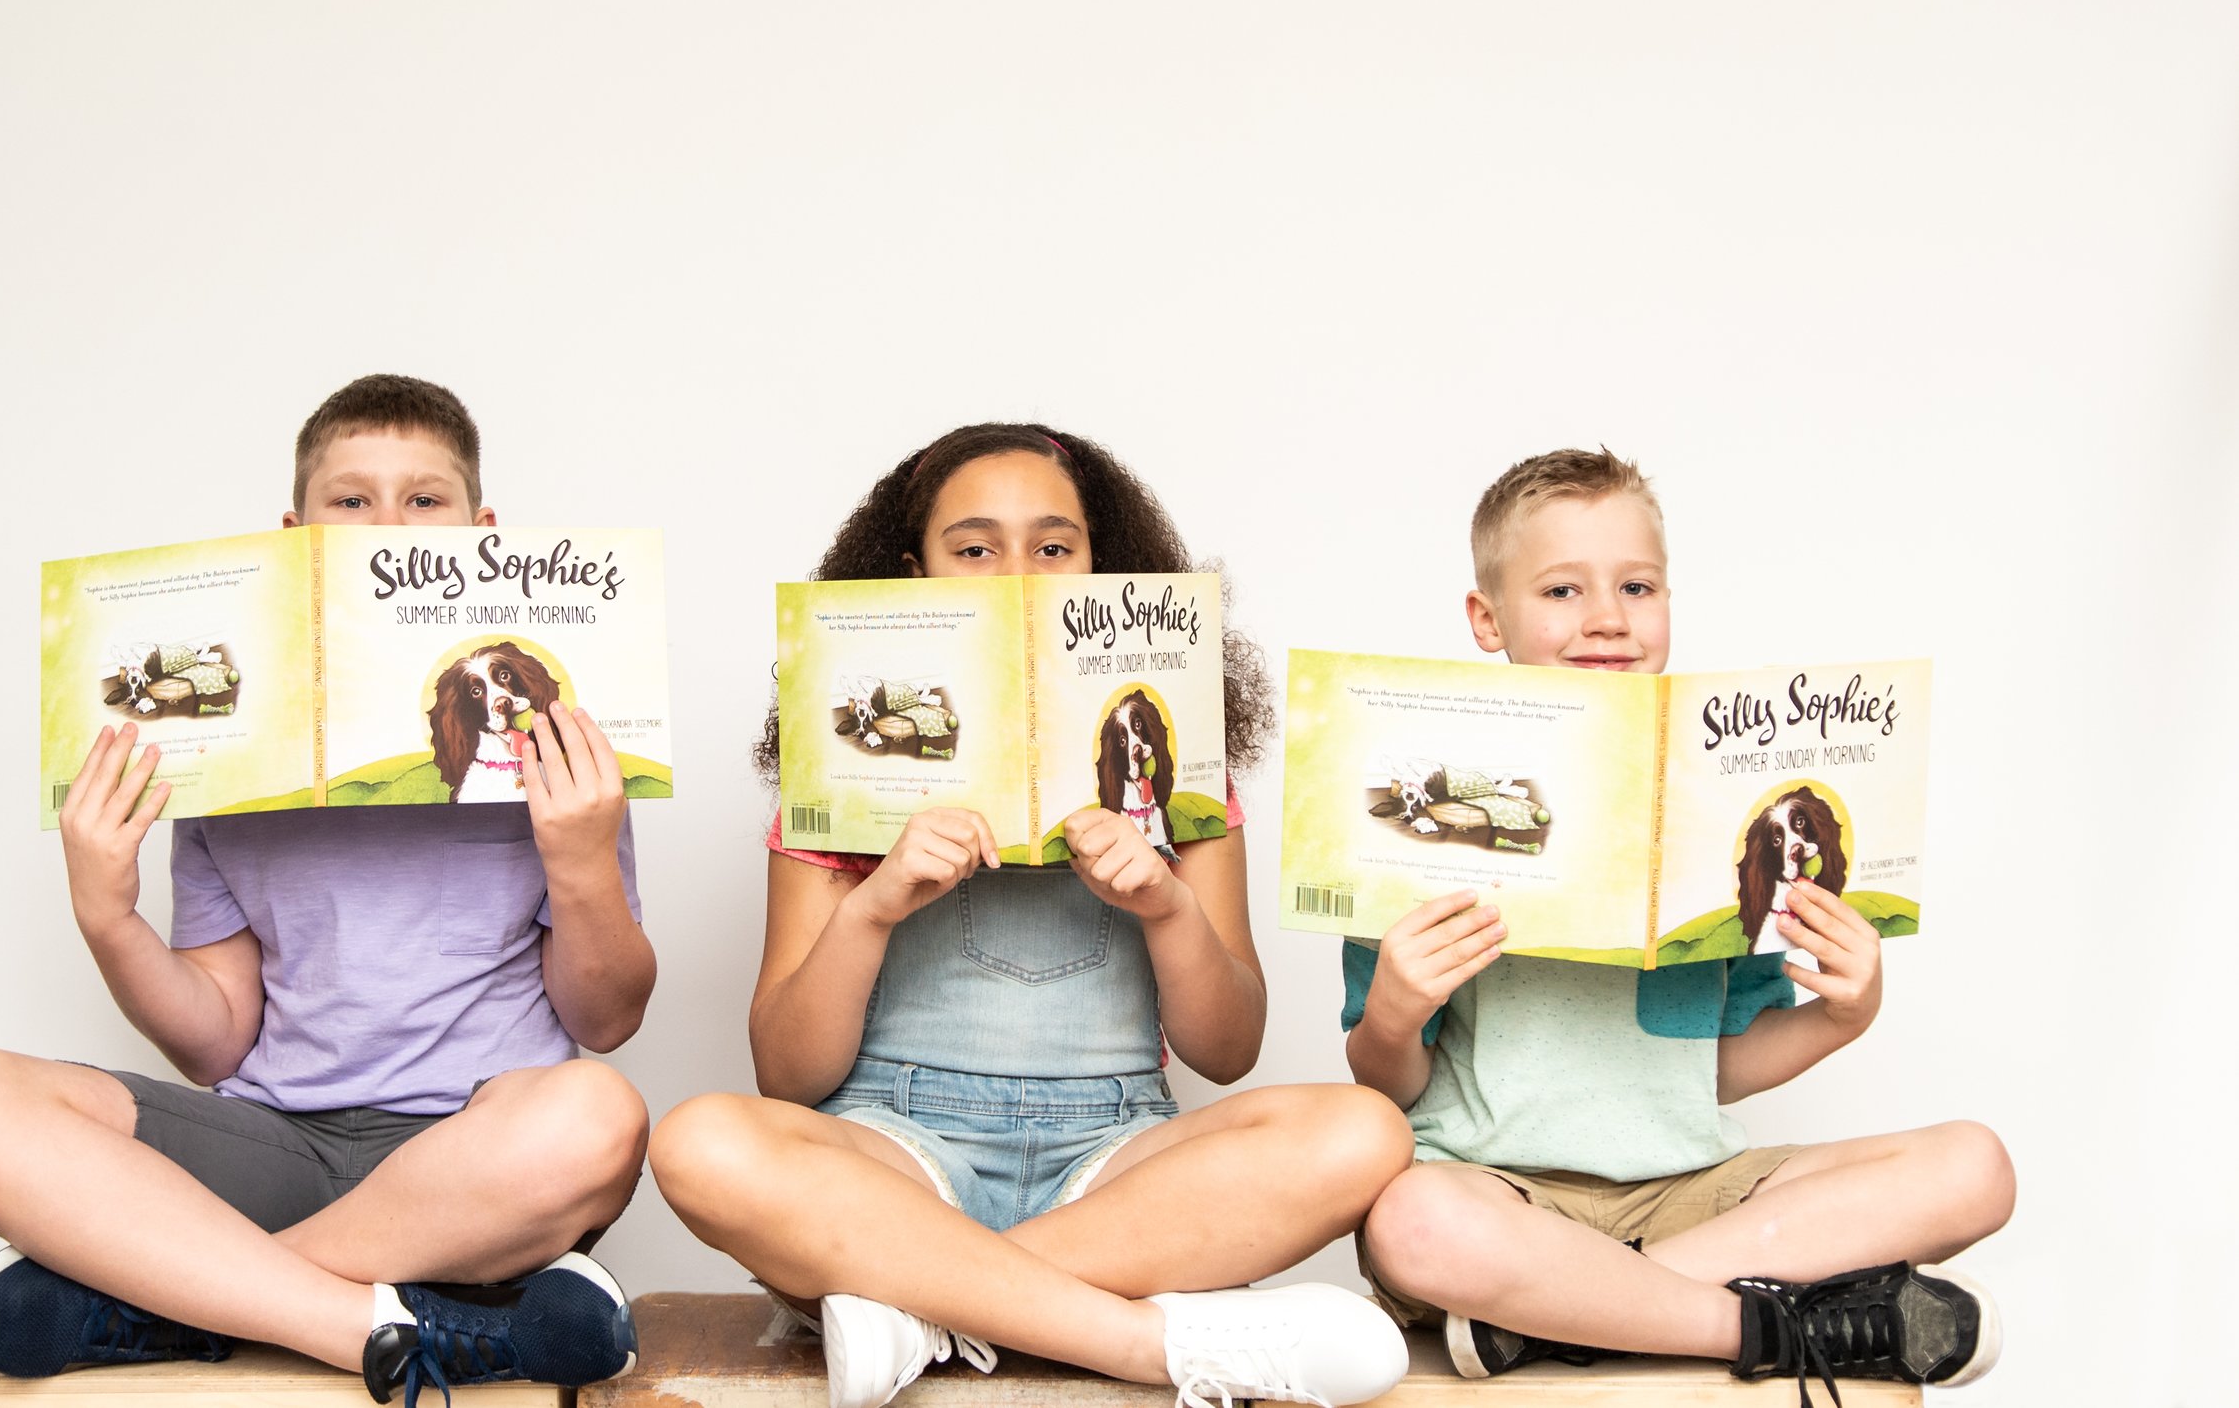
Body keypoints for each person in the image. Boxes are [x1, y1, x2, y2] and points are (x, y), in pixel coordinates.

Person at [0, 374, 656, 1403]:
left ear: (482, 529)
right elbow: (217, 1038)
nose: (383, 524)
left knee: (600, 1113)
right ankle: (368, 1319)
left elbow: (608, 1017)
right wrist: (106, 912)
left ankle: (180, 1300)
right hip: (275, 1138)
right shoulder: (229, 755)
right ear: (295, 529)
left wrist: (579, 858)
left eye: (423, 499)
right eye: (350, 500)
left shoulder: (553, 747)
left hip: (478, 1153)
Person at [650, 423, 1413, 1408]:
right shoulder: (837, 769)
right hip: (893, 1148)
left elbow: (1228, 1047)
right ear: (911, 571)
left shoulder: (1179, 767)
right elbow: (786, 1073)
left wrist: (1165, 904)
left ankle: (921, 1301)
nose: (1019, 572)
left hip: (1114, 1158)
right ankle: (1145, 1340)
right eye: (974, 546)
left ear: (1103, 565)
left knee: (1361, 1130)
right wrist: (874, 905)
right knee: (700, 1141)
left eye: (1053, 545)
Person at [1348, 446, 2014, 1395]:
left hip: (1691, 1198)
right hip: (1498, 1190)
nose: (1609, 618)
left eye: (1637, 585)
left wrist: (1841, 1015)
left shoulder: (1720, 799)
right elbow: (1383, 1074)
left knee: (1976, 1166)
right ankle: (1761, 1323)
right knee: (1412, 1219)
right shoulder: (1421, 790)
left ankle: (1566, 1317)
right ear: (1487, 618)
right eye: (1563, 591)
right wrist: (1395, 1009)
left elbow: (1717, 1064)